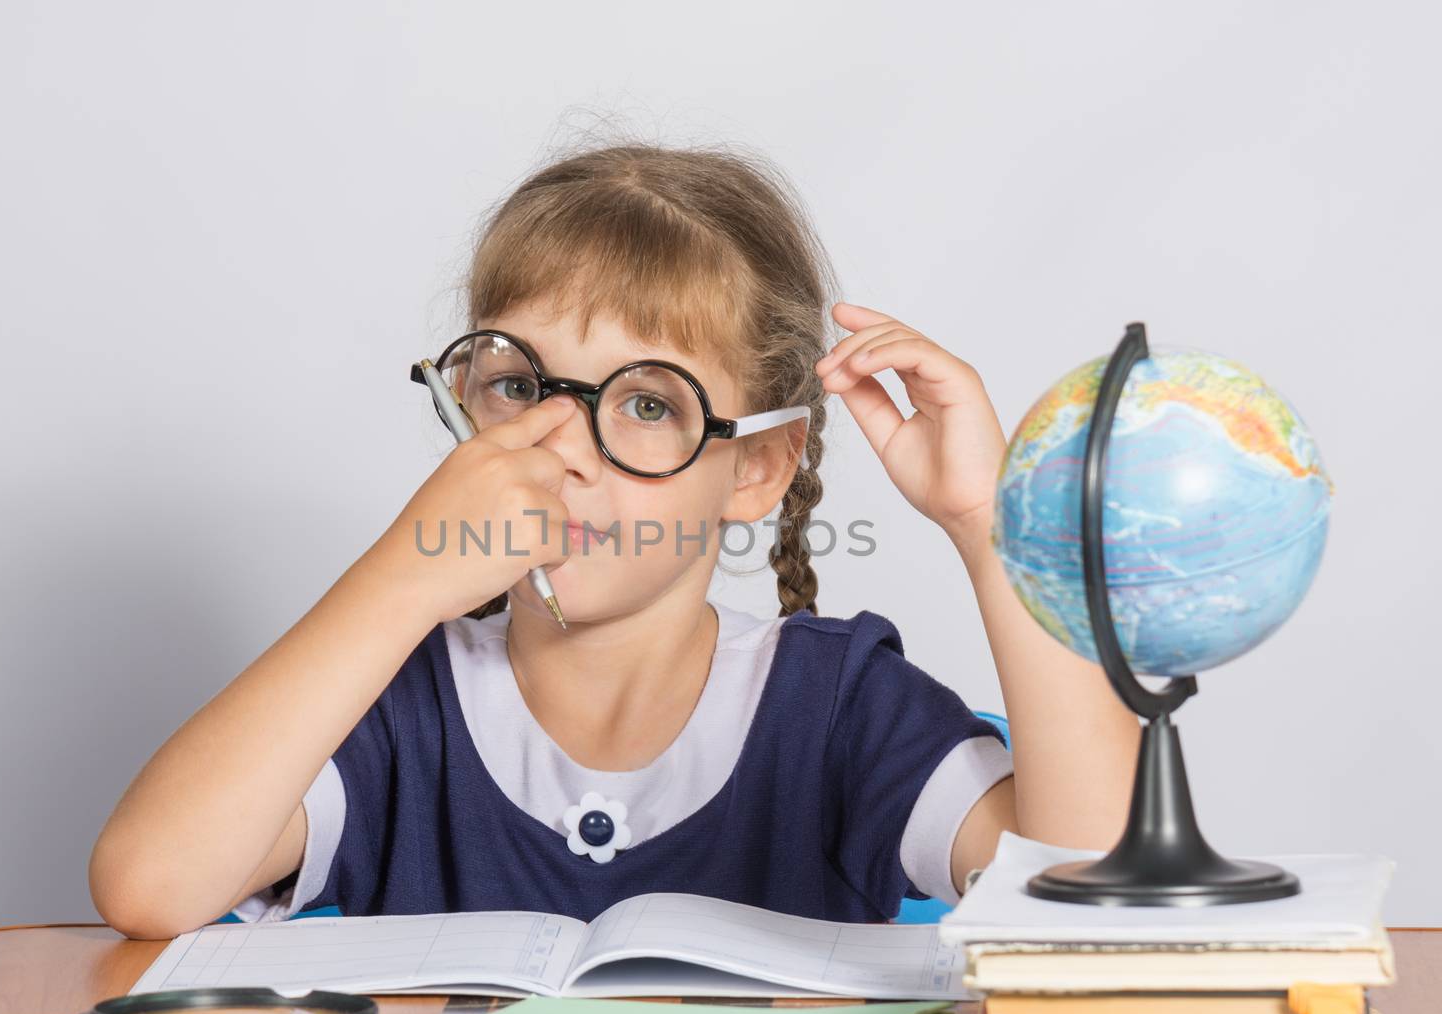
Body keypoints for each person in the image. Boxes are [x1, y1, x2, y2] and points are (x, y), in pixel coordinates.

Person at [88, 139, 1141, 940]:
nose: (565, 448)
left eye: (645, 403)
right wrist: (406, 572)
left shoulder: (837, 704)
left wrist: (997, 531)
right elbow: (150, 883)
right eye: (516, 386)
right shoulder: (397, 705)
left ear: (757, 469)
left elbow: (1091, 902)